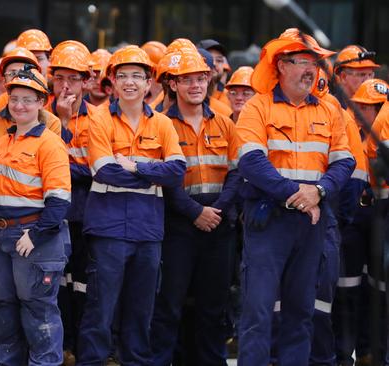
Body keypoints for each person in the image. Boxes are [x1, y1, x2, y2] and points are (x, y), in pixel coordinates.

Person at [235, 32, 354, 365]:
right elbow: (251, 161)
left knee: (301, 312)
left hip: (312, 222)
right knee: (258, 312)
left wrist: (318, 192)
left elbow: (345, 161)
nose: (311, 70)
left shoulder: (329, 110)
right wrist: (296, 195)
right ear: (282, 66)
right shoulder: (257, 107)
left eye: (315, 63)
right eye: (303, 62)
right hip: (269, 221)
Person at [76, 45, 187, 365]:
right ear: (111, 81)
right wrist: (155, 172)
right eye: (122, 75)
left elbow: (177, 171)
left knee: (141, 311)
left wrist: (137, 168)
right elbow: (104, 169)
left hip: (147, 230)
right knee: (101, 309)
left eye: (137, 76)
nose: (130, 82)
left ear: (150, 82)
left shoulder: (163, 124)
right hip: (108, 228)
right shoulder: (99, 120)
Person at [150, 46, 241, 366]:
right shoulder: (160, 123)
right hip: (178, 224)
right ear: (172, 84)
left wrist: (216, 210)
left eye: (202, 78)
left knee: (213, 308)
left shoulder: (226, 122)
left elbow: (237, 172)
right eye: (187, 79)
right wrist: (194, 212)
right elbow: (164, 179)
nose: (196, 85)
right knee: (169, 306)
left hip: (219, 223)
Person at [0, 66, 71, 365]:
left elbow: (59, 201)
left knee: (38, 308)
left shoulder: (50, 143)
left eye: (28, 99)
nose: (19, 105)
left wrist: (36, 234)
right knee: (2, 306)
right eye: (14, 98)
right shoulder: (3, 141)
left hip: (33, 237)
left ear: (42, 102)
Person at [44, 41, 95, 365]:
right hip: (50, 215)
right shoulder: (39, 114)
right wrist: (61, 122)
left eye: (73, 79)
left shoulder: (100, 119)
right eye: (60, 77)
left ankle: (79, 348)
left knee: (84, 287)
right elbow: (41, 163)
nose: (66, 85)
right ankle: (57, 349)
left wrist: (66, 166)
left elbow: (95, 168)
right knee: (52, 288)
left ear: (86, 82)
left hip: (87, 216)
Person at [335, 78, 389, 366]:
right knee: (347, 289)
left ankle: (371, 352)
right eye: (365, 106)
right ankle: (346, 354)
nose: (364, 112)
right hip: (354, 219)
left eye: (372, 107)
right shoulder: (347, 131)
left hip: (377, 217)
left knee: (377, 291)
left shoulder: (380, 131)